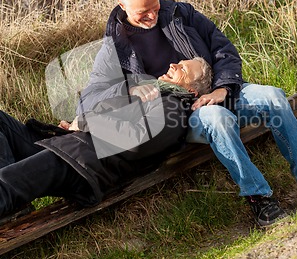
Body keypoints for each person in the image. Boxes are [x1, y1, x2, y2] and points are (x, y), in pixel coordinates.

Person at [83, 0, 297, 228]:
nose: (151, 16)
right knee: (217, 118)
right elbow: (91, 97)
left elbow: (224, 49)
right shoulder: (113, 48)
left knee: (273, 97)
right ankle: (260, 198)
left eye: (154, 6)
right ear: (122, 5)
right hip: (182, 115)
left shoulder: (181, 14)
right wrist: (129, 90)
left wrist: (222, 88)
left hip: (221, 90)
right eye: (142, 12)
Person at [0, 57, 211, 224]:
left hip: (83, 164)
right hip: (70, 144)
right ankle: (14, 205)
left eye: (183, 69)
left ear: (191, 91)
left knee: (6, 182)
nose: (173, 65)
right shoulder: (153, 95)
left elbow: (136, 142)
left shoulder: (173, 108)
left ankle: (10, 197)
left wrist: (85, 125)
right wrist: (74, 125)